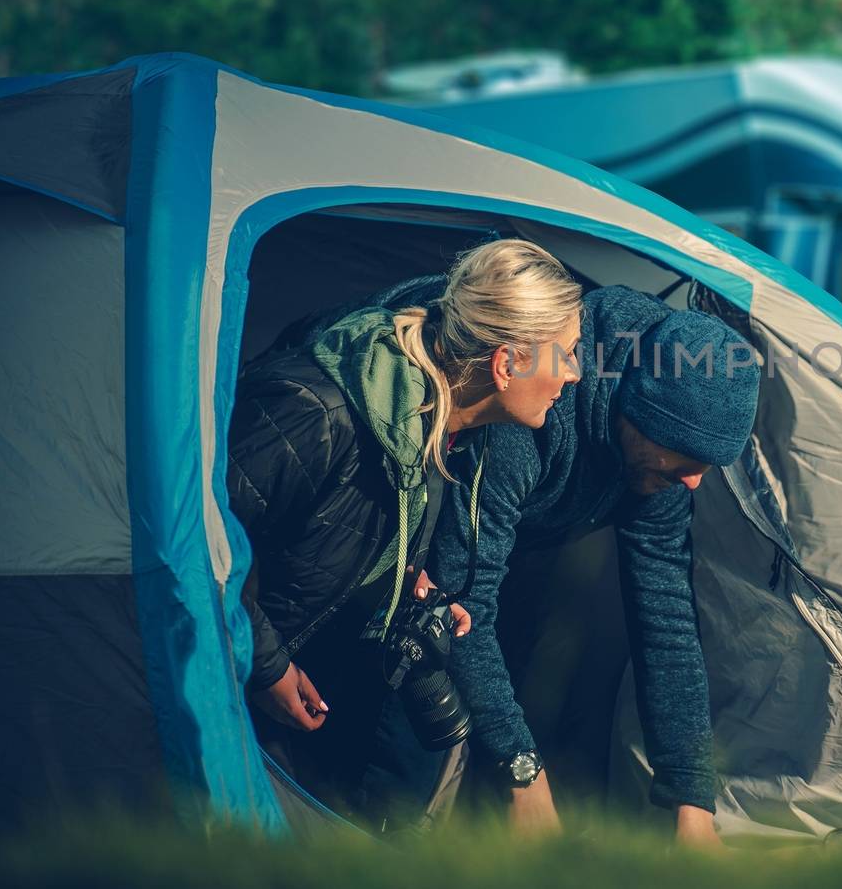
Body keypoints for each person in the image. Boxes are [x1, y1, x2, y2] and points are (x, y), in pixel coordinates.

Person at [226, 239, 583, 823]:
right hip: (210, 681)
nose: (573, 376)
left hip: (283, 690)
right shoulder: (314, 410)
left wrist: (401, 582)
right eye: (565, 355)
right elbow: (206, 538)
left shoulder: (435, 426)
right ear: (507, 362)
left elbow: (323, 536)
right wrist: (264, 665)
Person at [427, 283, 761, 849]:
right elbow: (461, 600)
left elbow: (667, 626)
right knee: (422, 737)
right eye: (684, 461)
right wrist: (523, 772)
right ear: (637, 418)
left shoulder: (662, 462)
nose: (693, 481)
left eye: (706, 466)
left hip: (523, 549)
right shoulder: (532, 409)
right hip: (411, 568)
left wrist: (693, 804)